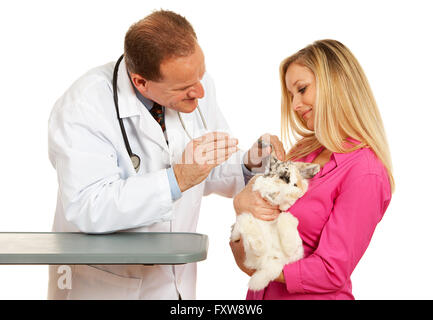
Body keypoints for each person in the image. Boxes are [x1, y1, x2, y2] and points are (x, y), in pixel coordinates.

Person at [47, 10, 286, 300]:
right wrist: (175, 179)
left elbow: (207, 168)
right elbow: (87, 206)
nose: (199, 91)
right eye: (185, 88)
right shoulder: (84, 107)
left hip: (174, 283)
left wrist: (248, 163)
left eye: (201, 75)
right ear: (141, 82)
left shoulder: (196, 84)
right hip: (106, 283)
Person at [230, 39, 394, 300]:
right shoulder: (303, 152)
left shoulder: (365, 172)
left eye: (302, 89)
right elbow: (251, 242)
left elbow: (331, 270)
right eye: (291, 95)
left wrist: (261, 262)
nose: (295, 105)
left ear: (336, 85)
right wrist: (242, 204)